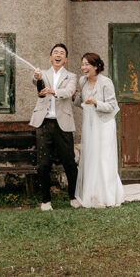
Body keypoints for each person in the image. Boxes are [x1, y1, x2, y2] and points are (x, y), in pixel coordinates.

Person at [30, 43, 79, 211]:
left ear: (65, 59)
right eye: (55, 52)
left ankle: (73, 197)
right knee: (43, 164)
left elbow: (69, 92)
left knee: (69, 163)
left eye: (62, 53)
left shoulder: (71, 76)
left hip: (62, 124)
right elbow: (35, 81)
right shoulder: (42, 73)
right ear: (51, 57)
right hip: (43, 123)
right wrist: (36, 77)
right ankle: (45, 201)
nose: (58, 55)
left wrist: (53, 91)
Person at [73, 52, 125, 208]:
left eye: (87, 64)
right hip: (89, 125)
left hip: (104, 124)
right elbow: (79, 103)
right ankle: (92, 195)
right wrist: (73, 96)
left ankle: (107, 196)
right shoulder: (82, 81)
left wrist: (96, 102)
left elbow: (112, 106)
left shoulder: (106, 82)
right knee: (91, 158)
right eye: (82, 64)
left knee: (103, 159)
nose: (84, 67)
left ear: (96, 66)